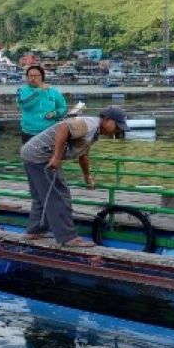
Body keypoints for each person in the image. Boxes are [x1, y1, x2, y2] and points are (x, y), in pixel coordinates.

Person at [20, 105, 128, 247]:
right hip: (41, 155)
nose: (118, 131)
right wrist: (57, 157)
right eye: (117, 126)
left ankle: (34, 231)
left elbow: (83, 155)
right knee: (59, 195)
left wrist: (87, 175)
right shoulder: (89, 124)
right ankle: (68, 238)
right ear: (107, 120)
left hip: (31, 153)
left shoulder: (93, 132)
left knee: (41, 196)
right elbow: (63, 127)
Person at [16, 65, 68, 144]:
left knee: (50, 155)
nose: (33, 78)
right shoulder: (22, 91)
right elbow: (23, 105)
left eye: (36, 76)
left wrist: (55, 113)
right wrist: (39, 92)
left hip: (50, 131)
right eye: (30, 76)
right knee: (29, 155)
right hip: (29, 132)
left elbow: (64, 108)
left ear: (42, 76)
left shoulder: (54, 91)